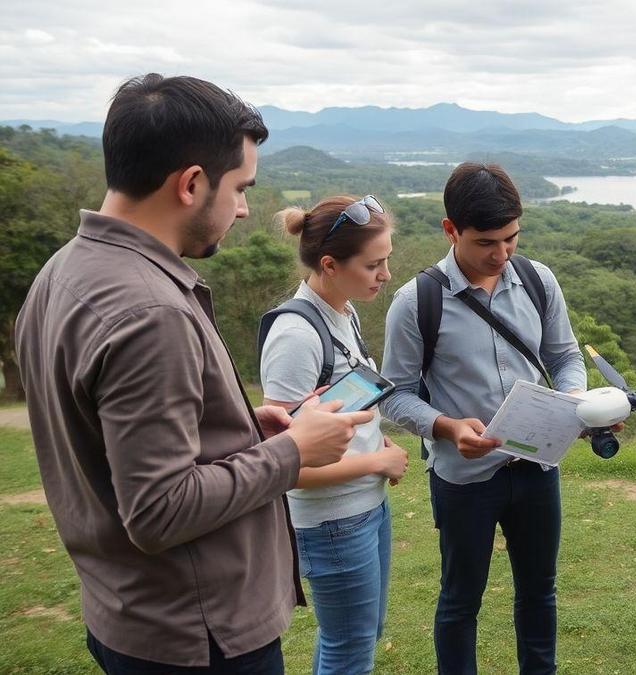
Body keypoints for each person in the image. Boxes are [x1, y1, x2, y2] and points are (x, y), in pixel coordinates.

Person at [13, 73, 373, 673]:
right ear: (190, 184)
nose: (244, 208)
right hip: (199, 634)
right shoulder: (150, 310)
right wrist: (292, 450)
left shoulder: (64, 271)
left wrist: (238, 425)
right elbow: (159, 510)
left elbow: (109, 437)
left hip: (125, 612)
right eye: (238, 188)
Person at [380, 162, 587, 674]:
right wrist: (447, 427)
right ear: (451, 231)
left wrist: (572, 401)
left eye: (512, 238)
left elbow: (565, 358)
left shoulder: (539, 281)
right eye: (486, 242)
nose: (501, 254)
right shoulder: (416, 302)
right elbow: (394, 395)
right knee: (460, 600)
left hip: (537, 468)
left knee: (540, 592)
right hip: (464, 477)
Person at [259, 195, 409, 673]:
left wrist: (374, 441)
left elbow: (336, 412)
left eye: (385, 260)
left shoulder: (342, 310)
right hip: (333, 522)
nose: (385, 274)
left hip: (364, 506)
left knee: (356, 637)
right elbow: (284, 466)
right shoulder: (296, 336)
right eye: (374, 264)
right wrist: (376, 462)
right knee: (350, 646)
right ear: (330, 264)